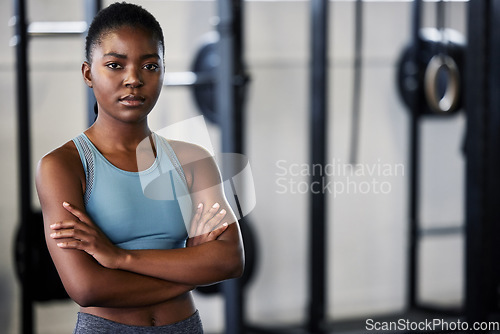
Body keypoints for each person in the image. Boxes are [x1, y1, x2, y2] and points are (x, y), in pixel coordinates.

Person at [35, 2, 244, 333]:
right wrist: (192, 271)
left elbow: (229, 259)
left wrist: (119, 259)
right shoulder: (63, 166)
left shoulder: (193, 160)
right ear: (89, 73)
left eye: (149, 66)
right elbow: (88, 288)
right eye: (115, 65)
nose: (133, 79)